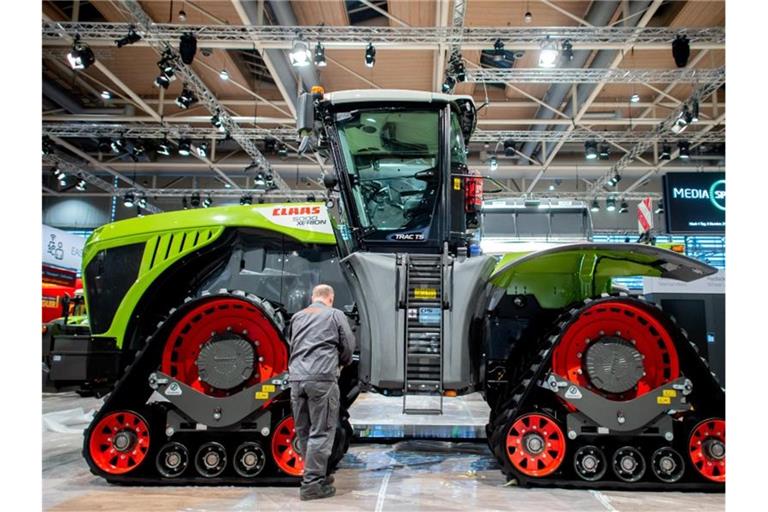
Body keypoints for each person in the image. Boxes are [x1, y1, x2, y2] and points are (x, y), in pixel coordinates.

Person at [287, 284, 355, 501]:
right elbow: (348, 346)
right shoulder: (335, 315)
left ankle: (315, 476)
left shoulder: (298, 317)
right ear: (330, 298)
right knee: (321, 432)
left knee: (304, 430)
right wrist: (342, 363)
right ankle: (312, 485)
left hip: (297, 379)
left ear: (313, 297)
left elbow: (292, 344)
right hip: (322, 378)